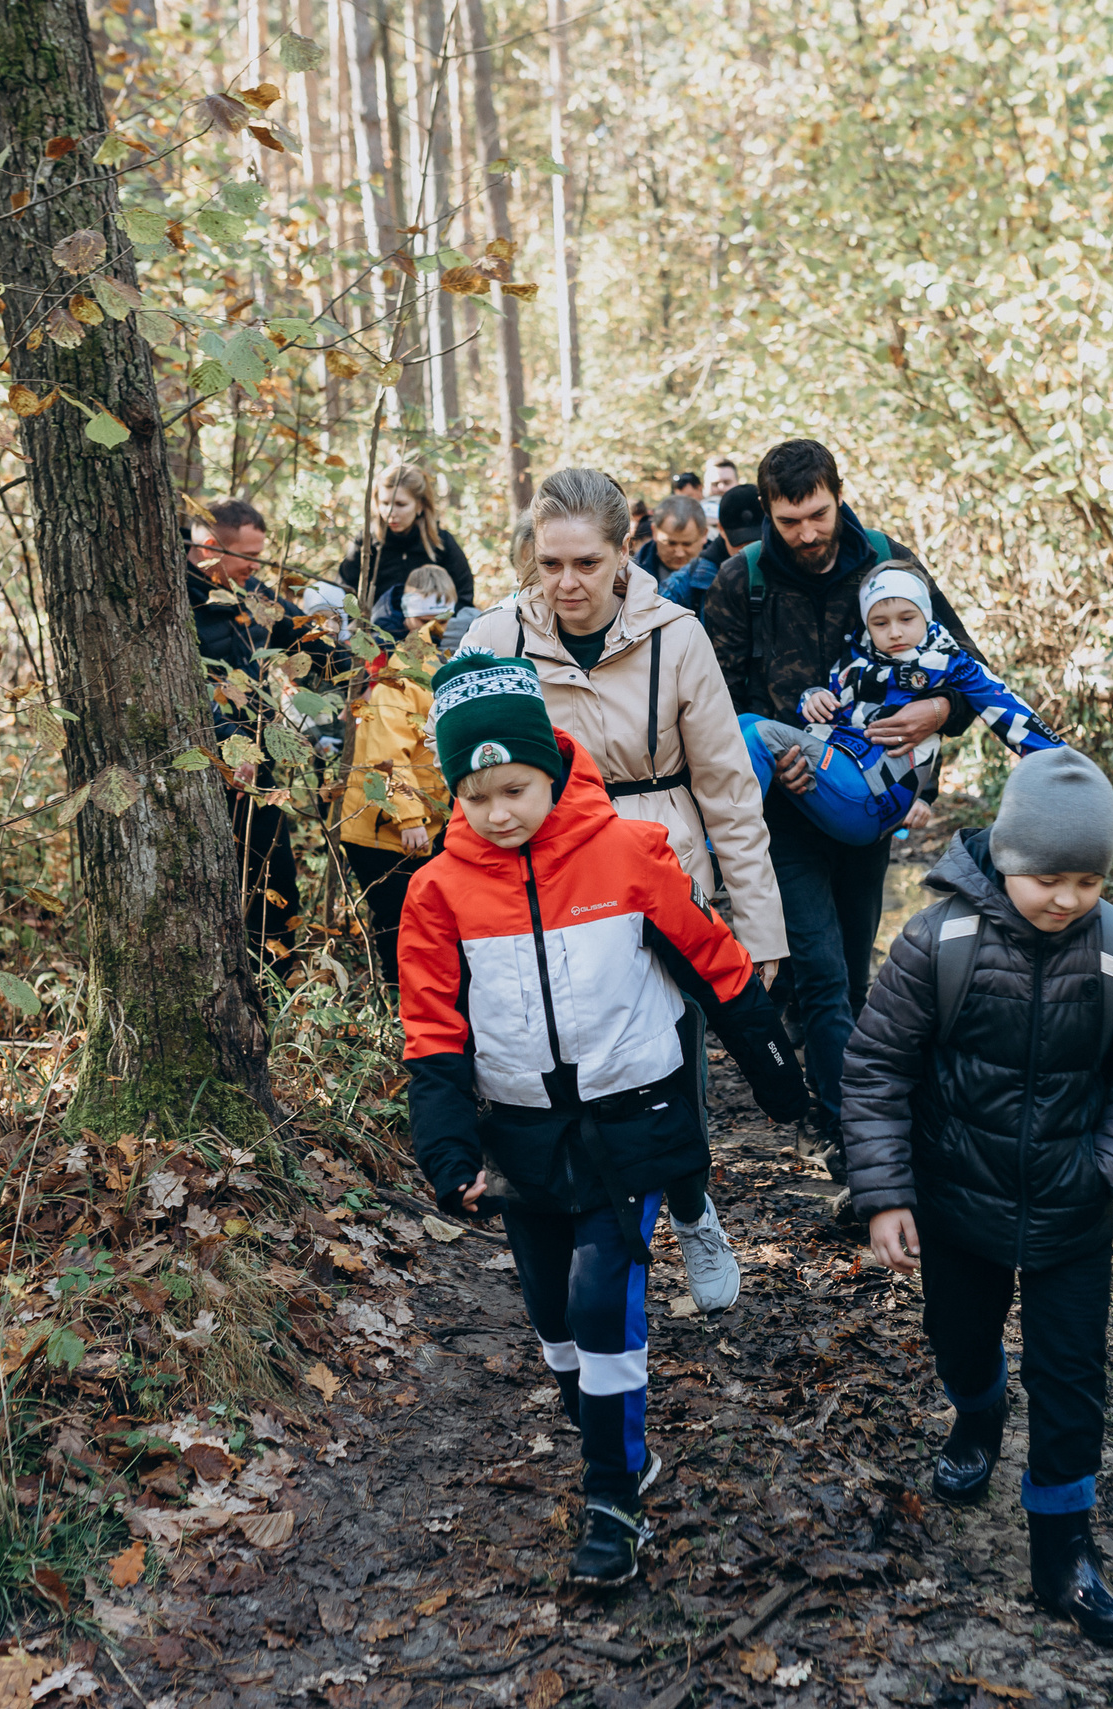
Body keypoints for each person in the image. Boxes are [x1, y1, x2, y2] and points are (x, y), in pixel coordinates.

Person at [402, 654, 807, 1587]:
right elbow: (433, 1028)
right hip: (524, 1132)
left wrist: (777, 1075)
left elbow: (714, 963)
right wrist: (447, 1148)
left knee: (599, 1300)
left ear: (552, 768)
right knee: (552, 1315)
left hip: (633, 1116)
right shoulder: (438, 894)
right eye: (476, 796)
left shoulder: (626, 853)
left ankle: (612, 1495)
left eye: (516, 788)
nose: (499, 812)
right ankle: (609, 1436)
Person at [842, 748, 1113, 1646]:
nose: (1066, 898)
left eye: (1087, 880)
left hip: (1073, 1212)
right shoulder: (939, 942)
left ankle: (1064, 1555)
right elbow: (877, 1066)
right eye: (1046, 878)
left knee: (1072, 1378)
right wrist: (885, 1194)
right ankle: (979, 1407)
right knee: (960, 1338)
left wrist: (1105, 1167)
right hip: (958, 1203)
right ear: (1003, 856)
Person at [459, 468, 787, 1313]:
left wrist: (758, 929)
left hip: (659, 870)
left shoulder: (676, 636)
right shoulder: (496, 636)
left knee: (675, 1057)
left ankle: (692, 1204)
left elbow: (728, 790)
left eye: (587, 563)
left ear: (622, 555)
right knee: (570, 1057)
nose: (567, 583)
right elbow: (458, 775)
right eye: (550, 563)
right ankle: (585, 1231)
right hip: (542, 883)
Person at [699, 438, 993, 1183]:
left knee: (855, 975)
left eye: (819, 515)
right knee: (823, 978)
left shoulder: (889, 567)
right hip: (785, 812)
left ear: (838, 495)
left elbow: (971, 673)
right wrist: (774, 751)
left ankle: (859, 1111)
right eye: (789, 520)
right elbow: (710, 703)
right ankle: (851, 1141)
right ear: (768, 512)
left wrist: (936, 710)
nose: (806, 534)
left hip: (868, 803)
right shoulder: (742, 581)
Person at [741, 563, 1066, 846]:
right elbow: (829, 715)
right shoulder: (857, 659)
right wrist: (812, 698)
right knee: (744, 724)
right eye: (880, 623)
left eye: (907, 618)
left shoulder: (948, 662)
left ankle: (724, 853)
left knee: (759, 736)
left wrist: (1065, 767)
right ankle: (722, 843)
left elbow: (1007, 709)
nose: (895, 632)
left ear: (925, 615)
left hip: (875, 794)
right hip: (842, 770)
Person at [187, 498, 309, 978]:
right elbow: (185, 691)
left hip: (260, 763)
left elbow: (310, 639)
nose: (257, 566)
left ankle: (278, 983)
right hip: (207, 766)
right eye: (249, 556)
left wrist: (376, 662)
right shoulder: (177, 600)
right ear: (210, 546)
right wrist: (229, 744)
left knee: (275, 874)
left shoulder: (252, 592)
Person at [335, 569, 452, 984]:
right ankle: (398, 1002)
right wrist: (409, 817)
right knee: (398, 927)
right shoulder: (402, 669)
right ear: (408, 617)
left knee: (425, 925)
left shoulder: (440, 664)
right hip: (385, 829)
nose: (433, 629)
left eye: (441, 619)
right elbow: (386, 752)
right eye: (426, 620)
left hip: (423, 824)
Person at [339, 463, 476, 623]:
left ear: (420, 505)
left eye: (400, 504)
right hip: (377, 631)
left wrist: (435, 623)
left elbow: (464, 596)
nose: (391, 512)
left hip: (434, 630)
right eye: (385, 503)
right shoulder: (367, 542)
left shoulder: (441, 542)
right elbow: (343, 589)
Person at [657, 484, 764, 618]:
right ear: (722, 530)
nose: (750, 551)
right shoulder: (681, 587)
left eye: (757, 543)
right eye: (741, 544)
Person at [633, 493, 710, 584]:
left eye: (687, 544)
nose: (679, 553)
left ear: (704, 535)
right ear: (654, 532)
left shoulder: (721, 573)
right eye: (671, 543)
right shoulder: (632, 575)